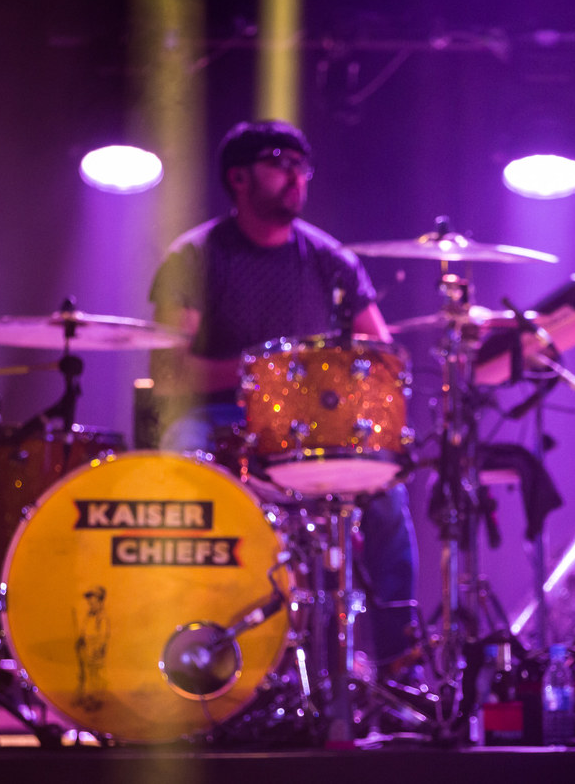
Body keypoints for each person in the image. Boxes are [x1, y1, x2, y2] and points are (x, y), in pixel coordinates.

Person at [148, 119, 421, 687]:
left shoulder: (331, 259)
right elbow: (168, 372)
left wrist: (318, 391)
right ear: (239, 178)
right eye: (280, 161)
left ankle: (399, 659)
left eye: (303, 164)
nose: (296, 175)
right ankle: (180, 636)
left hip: (317, 428)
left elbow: (382, 355)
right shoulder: (197, 256)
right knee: (180, 467)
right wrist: (261, 378)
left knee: (388, 500)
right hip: (222, 417)